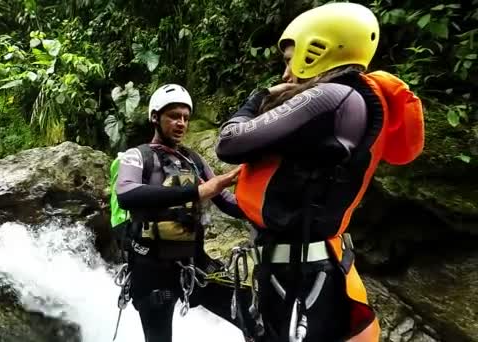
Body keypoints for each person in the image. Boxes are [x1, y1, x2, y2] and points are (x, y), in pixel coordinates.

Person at [215, 2, 424, 342]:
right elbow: (292, 193)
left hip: (301, 275)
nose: (285, 75)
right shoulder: (347, 99)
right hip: (304, 267)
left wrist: (258, 97)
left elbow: (230, 141)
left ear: (318, 49)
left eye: (288, 61)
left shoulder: (331, 98)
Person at [113, 83, 257, 342]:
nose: (181, 123)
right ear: (155, 117)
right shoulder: (137, 157)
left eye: (186, 118)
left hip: (194, 263)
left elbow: (225, 201)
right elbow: (126, 194)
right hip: (151, 268)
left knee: (252, 317)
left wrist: (268, 211)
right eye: (173, 117)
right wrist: (196, 192)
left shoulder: (194, 161)